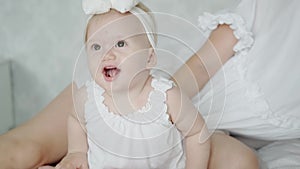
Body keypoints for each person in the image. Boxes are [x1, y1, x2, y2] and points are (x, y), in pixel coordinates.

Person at [10, 0, 300, 168]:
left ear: (149, 58)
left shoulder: (165, 95)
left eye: (120, 44)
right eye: (95, 47)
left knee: (244, 161)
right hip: (116, 153)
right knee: (24, 151)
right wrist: (76, 151)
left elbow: (196, 130)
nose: (107, 54)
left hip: (172, 145)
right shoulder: (90, 95)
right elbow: (75, 119)